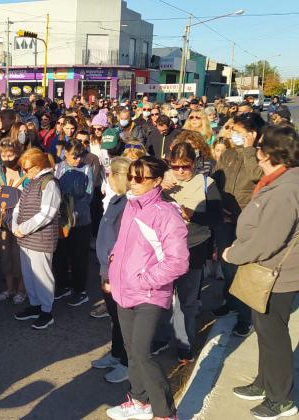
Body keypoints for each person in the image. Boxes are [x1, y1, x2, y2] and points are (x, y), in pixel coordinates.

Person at [222, 125, 299, 420]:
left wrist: (234, 253)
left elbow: (268, 239)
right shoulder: (279, 180)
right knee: (265, 332)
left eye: (260, 146)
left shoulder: (287, 190)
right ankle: (264, 383)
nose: (256, 150)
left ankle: (281, 399)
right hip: (269, 271)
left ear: (271, 153)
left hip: (279, 275)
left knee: (275, 337)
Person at [105, 156, 188, 420]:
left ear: (158, 181)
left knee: (142, 353)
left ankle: (165, 413)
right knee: (131, 350)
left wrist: (143, 280)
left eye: (140, 177)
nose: (133, 181)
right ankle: (140, 402)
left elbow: (178, 262)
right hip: (124, 290)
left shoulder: (166, 213)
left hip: (149, 294)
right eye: (131, 175)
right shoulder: (131, 205)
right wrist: (113, 272)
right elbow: (122, 245)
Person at [157, 143, 222, 362]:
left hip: (193, 248)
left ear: (194, 164)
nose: (180, 171)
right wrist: (156, 187)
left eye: (185, 166)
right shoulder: (162, 179)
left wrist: (191, 215)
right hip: (163, 250)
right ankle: (162, 337)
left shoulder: (207, 183)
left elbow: (215, 218)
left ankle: (185, 344)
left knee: (187, 300)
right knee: (162, 297)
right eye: (175, 166)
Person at [211, 112, 266, 336]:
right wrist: (217, 205)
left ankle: (246, 317)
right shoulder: (228, 155)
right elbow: (216, 179)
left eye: (239, 132)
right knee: (227, 264)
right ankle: (230, 301)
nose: (233, 135)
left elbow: (257, 176)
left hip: (246, 218)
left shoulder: (260, 155)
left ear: (253, 135)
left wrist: (250, 150)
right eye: (233, 131)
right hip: (224, 218)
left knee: (242, 269)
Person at [91, 157, 131, 384]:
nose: (107, 178)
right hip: (107, 269)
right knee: (115, 319)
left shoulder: (127, 206)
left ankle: (126, 363)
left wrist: (109, 274)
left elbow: (121, 244)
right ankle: (116, 354)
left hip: (116, 272)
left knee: (123, 319)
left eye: (110, 175)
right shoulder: (117, 200)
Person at [12, 148, 62, 330]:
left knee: (42, 276)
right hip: (25, 238)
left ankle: (46, 311)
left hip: (40, 238)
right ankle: (35, 305)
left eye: (27, 169)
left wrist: (22, 229)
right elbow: (18, 206)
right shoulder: (32, 182)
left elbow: (47, 214)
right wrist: (14, 226)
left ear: (38, 165)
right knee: (29, 274)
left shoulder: (49, 183)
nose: (24, 173)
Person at [53, 140, 94, 307]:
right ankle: (63, 285)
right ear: (66, 154)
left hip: (80, 220)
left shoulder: (87, 169)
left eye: (80, 157)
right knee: (60, 254)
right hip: (61, 220)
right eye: (74, 157)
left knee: (79, 257)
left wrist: (74, 211)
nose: (78, 160)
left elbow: (89, 194)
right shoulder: (58, 168)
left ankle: (80, 290)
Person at [0, 140, 29, 304]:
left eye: (10, 155)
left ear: (18, 153)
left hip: (21, 217)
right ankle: (9, 288)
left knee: (19, 254)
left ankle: (22, 289)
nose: (6, 159)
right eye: (3, 155)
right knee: (5, 253)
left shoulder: (26, 172)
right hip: (2, 217)